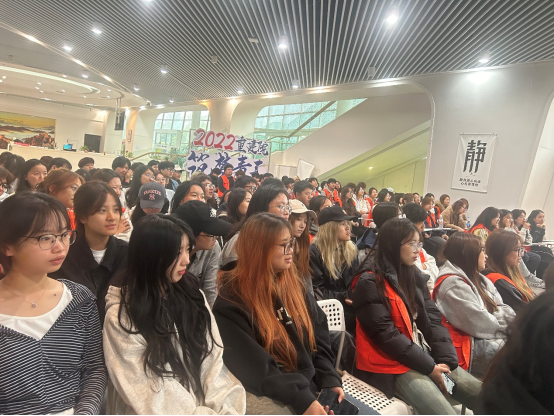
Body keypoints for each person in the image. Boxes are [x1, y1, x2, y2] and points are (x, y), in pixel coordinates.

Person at [103, 214, 246, 414]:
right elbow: (149, 392)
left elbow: (212, 357)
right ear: (151, 255)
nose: (186, 260)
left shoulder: (192, 294)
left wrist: (223, 406)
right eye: (177, 252)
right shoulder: (122, 316)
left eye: (188, 249)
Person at [214, 213, 349, 416]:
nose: (291, 250)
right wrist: (303, 400)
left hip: (312, 388)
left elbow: (318, 338)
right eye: (284, 245)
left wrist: (329, 378)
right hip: (282, 396)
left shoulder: (294, 284)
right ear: (259, 249)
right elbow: (257, 369)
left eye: (291, 243)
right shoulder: (230, 302)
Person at [351, 218, 482, 414]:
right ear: (393, 245)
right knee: (444, 412)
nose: (417, 250)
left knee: (482, 396)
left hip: (423, 356)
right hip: (392, 365)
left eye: (419, 244)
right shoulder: (370, 281)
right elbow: (387, 337)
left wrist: (445, 359)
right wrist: (430, 368)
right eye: (412, 244)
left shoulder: (413, 276)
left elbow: (433, 320)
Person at [0, 192, 107, 415]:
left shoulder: (79, 299)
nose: (60, 247)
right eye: (45, 238)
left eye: (64, 235)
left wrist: (85, 411)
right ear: (8, 245)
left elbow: (94, 369)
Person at [434, 233, 516, 378]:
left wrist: (513, 327)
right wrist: (510, 329)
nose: (486, 256)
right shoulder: (451, 283)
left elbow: (502, 307)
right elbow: (480, 323)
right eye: (482, 250)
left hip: (489, 335)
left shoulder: (481, 278)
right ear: (466, 253)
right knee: (522, 352)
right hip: (471, 344)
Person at [51, 182, 128, 321]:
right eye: (102, 210)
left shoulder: (128, 254)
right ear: (82, 216)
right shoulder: (63, 256)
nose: (112, 217)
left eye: (116, 210)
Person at [479, 290, 554, 414]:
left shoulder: (485, 282)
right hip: (473, 348)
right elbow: (478, 322)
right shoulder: (454, 283)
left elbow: (504, 308)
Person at [173, 201, 232, 308]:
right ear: (190, 233)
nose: (216, 237)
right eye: (211, 233)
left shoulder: (212, 248)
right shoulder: (168, 252)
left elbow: (211, 290)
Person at [310, 205, 359, 332]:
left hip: (351, 306)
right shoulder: (314, 252)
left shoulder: (351, 250)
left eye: (348, 223)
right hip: (329, 311)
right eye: (342, 224)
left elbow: (356, 280)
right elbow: (316, 290)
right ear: (330, 228)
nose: (348, 227)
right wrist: (344, 297)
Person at [221, 185, 290, 266]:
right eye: (281, 206)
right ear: (262, 208)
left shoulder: (279, 237)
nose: (287, 212)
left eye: (287, 207)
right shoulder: (240, 241)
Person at [483, 230, 534, 313]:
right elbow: (522, 313)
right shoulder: (497, 281)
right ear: (501, 252)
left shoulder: (512, 272)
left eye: (521, 249)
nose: (521, 254)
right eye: (516, 249)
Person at [402, 202, 440, 291]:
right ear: (409, 224)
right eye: (420, 223)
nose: (423, 227)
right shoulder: (406, 247)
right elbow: (423, 277)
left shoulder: (418, 244)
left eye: (424, 222)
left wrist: (425, 266)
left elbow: (432, 262)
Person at [93, 169, 131, 239]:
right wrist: (118, 232)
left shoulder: (121, 209)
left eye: (120, 188)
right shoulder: (93, 211)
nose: (118, 192)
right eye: (114, 188)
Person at [288, 200, 316, 292]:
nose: (302, 225)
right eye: (298, 219)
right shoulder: (279, 246)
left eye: (305, 221)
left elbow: (306, 278)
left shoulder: (302, 243)